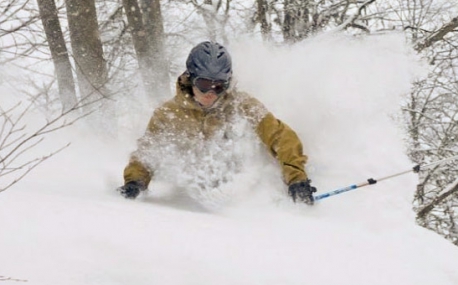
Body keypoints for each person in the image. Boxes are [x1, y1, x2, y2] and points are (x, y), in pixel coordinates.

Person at [118, 41, 316, 205]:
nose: (211, 93)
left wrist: (297, 179)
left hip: (237, 193)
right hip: (191, 200)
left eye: (219, 86)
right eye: (204, 85)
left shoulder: (242, 106)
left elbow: (281, 136)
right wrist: (135, 182)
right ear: (190, 78)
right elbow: (148, 151)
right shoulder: (168, 114)